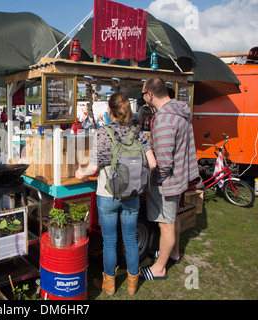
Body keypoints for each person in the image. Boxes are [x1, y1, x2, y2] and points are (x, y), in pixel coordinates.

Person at [75, 93, 156, 296]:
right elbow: (153, 164)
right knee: (130, 240)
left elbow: (93, 167)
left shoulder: (103, 133)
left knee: (109, 242)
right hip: (133, 195)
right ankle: (132, 285)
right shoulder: (138, 133)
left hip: (107, 194)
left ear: (109, 110)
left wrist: (79, 173)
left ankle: (109, 286)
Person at [139, 77, 199, 281]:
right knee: (172, 219)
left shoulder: (164, 119)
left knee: (165, 224)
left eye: (143, 94)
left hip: (167, 181)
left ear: (150, 95)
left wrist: (154, 179)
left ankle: (159, 268)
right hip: (180, 176)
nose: (143, 98)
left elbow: (163, 161)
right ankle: (173, 253)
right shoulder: (179, 110)